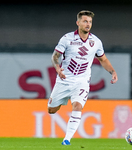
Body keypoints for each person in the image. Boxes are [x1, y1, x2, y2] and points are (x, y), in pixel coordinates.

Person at [48, 10, 118, 145]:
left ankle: (67, 139)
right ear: (78, 22)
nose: (88, 24)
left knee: (78, 106)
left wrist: (113, 71)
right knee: (51, 110)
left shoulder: (96, 42)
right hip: (64, 80)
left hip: (82, 81)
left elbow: (103, 59)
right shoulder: (67, 39)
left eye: (90, 22)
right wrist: (58, 69)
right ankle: (61, 101)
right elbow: (55, 57)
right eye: (85, 21)